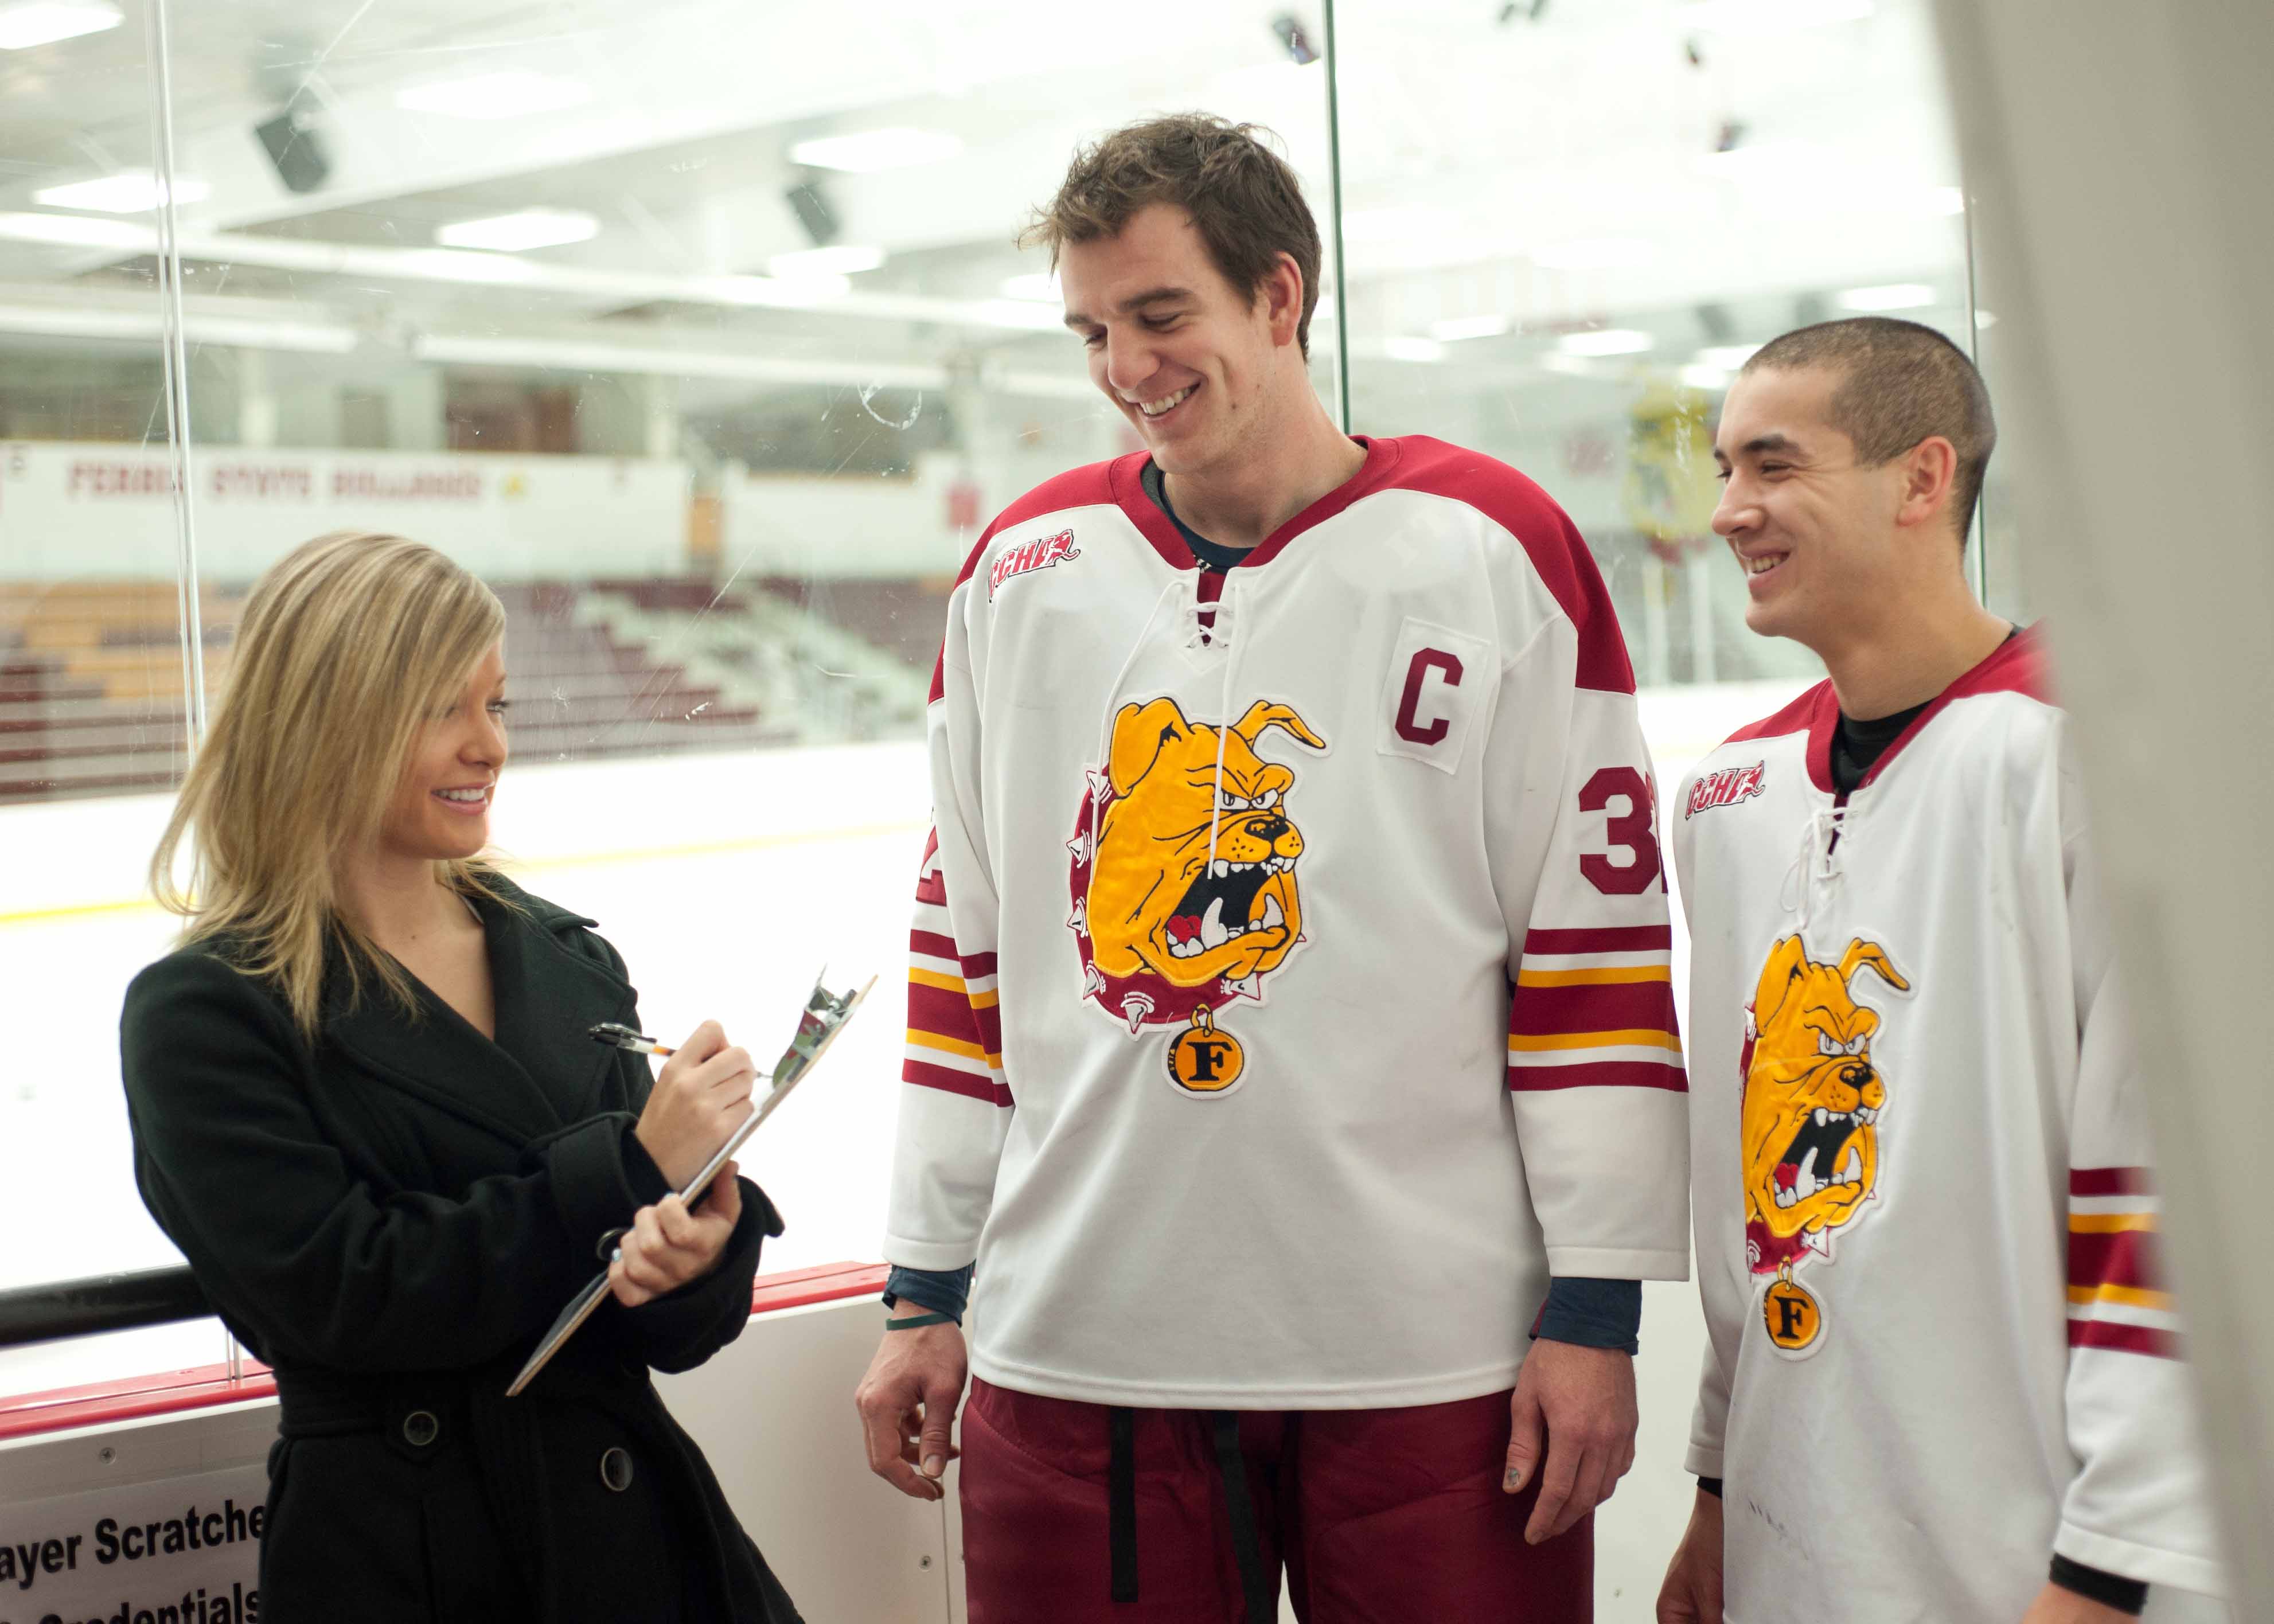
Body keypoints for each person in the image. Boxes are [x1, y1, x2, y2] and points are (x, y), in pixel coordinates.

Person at [855, 115, 1690, 1622]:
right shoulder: (1019, 577)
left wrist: (1592, 1308)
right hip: (1077, 1342)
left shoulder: (1490, 545)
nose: (1125, 366)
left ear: (1279, 297)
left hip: (1433, 1352)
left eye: (1161, 314)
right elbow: (963, 956)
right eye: (1091, 328)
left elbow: (1591, 951)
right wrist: (924, 1287)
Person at [119, 532, 801, 1623]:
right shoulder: (206, 1013)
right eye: (445, 708)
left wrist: (696, 1253)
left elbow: (659, 1333)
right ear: (328, 718)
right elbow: (347, 1296)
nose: (489, 746)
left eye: (500, 707)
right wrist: (629, 1169)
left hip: (652, 1551)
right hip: (410, 1566)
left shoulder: (564, 955)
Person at [1656, 319, 2225, 1624]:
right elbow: (1759, 1210)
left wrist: (2107, 1571)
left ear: (1922, 480)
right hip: (1798, 1536)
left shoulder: (2091, 758)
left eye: (1772, 465)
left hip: (2037, 1561)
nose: (1729, 510)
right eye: (1724, 467)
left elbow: (2172, 1205)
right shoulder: (1729, 801)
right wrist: (1713, 1489)